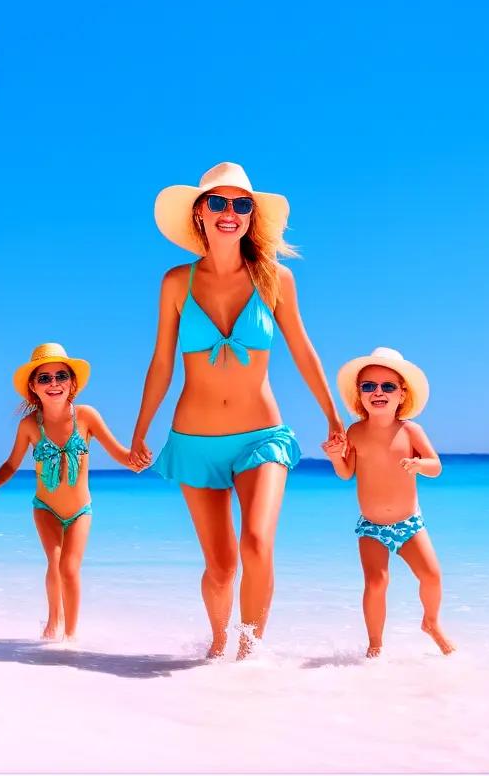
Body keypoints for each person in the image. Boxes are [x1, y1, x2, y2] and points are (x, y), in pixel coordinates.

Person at [130, 162, 344, 659]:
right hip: (194, 440)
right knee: (222, 567)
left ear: (251, 215)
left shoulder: (274, 278)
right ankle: (219, 643)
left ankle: (250, 658)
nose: (231, 213)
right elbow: (161, 362)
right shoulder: (175, 283)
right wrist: (140, 432)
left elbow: (304, 352)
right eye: (219, 203)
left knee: (256, 544)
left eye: (241, 204)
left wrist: (334, 419)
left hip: (260, 436)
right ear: (199, 213)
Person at [0, 343, 140, 641]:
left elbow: (120, 453)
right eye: (45, 378)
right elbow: (12, 464)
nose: (54, 384)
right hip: (45, 508)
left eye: (61, 376)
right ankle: (54, 621)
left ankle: (71, 637)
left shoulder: (87, 417)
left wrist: (138, 459)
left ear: (72, 383)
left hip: (80, 511)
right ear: (33, 387)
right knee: (54, 561)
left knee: (69, 567)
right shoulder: (29, 425)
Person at [325, 346, 455, 657]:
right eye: (369, 386)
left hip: (409, 524)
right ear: (360, 395)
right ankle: (375, 646)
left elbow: (436, 466)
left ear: (401, 394)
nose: (378, 392)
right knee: (376, 583)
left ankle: (432, 622)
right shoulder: (355, 432)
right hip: (371, 526)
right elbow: (347, 473)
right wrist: (334, 457)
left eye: (387, 386)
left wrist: (419, 465)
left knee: (432, 575)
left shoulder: (410, 430)